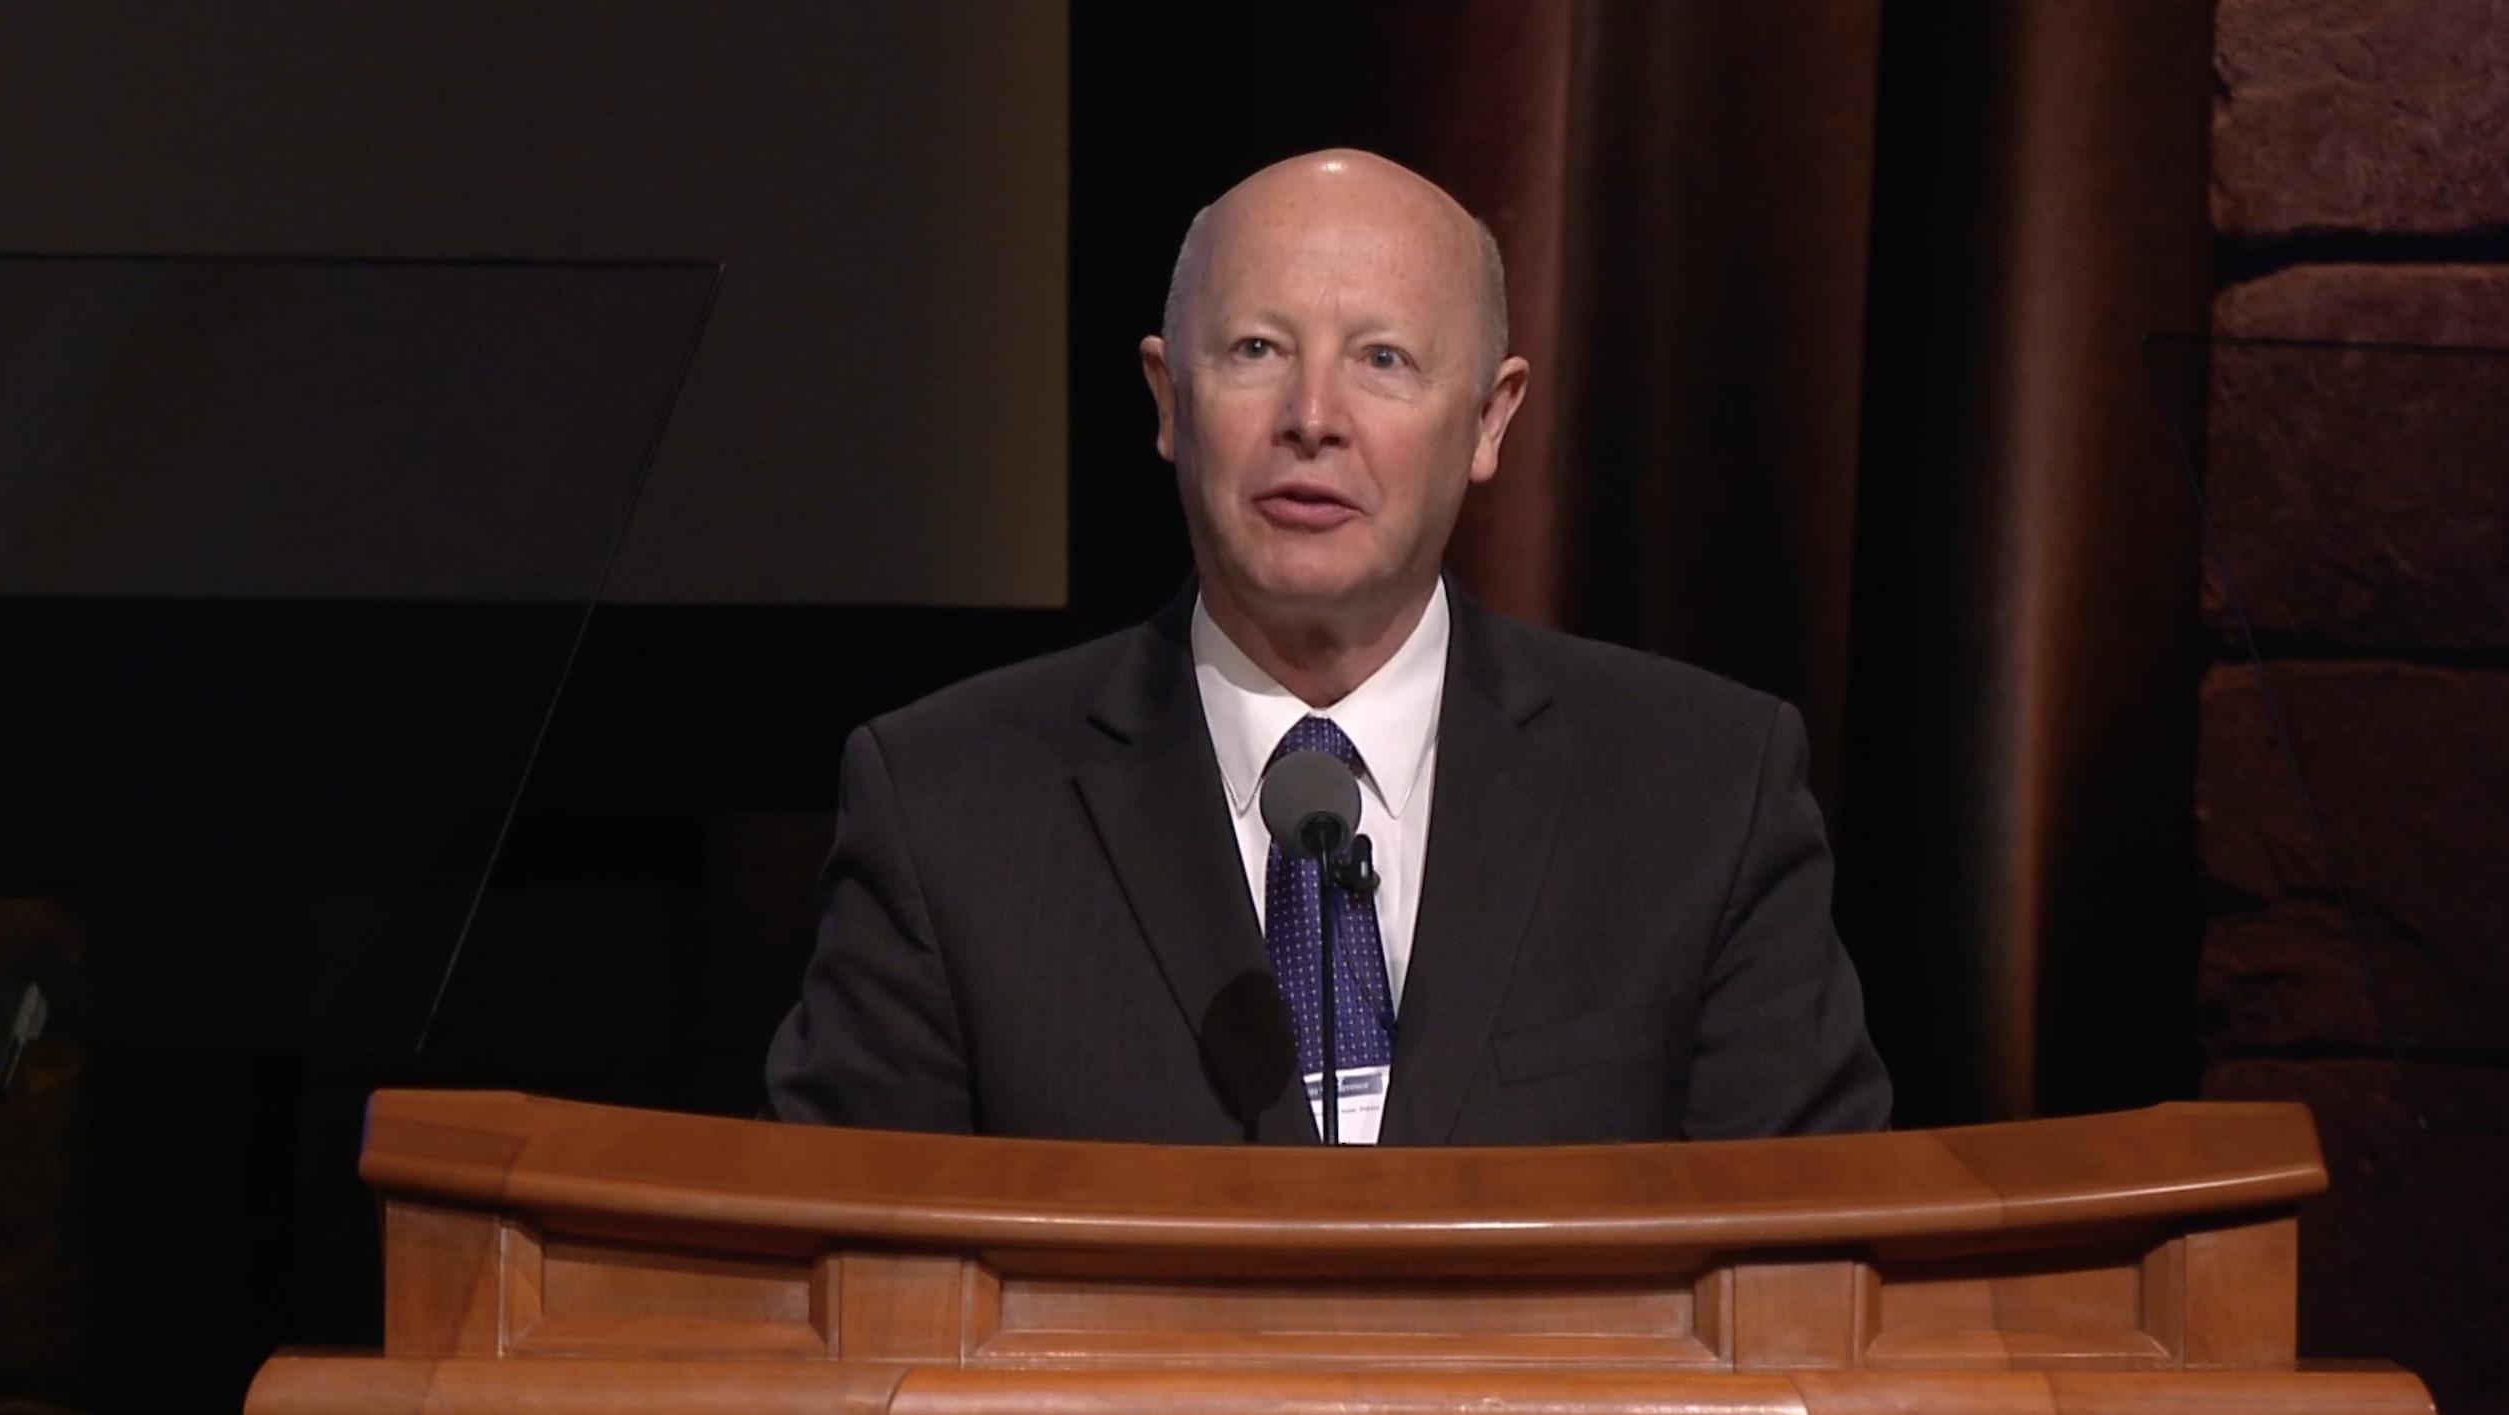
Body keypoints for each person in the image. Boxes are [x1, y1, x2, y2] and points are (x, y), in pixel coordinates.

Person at [767, 150, 1887, 1144]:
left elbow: (1809, 1281)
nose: (1313, 414)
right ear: (1168, 400)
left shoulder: (1703, 791)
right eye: (1257, 349)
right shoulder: (944, 806)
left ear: (1490, 420)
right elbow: (840, 1291)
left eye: (1383, 360)